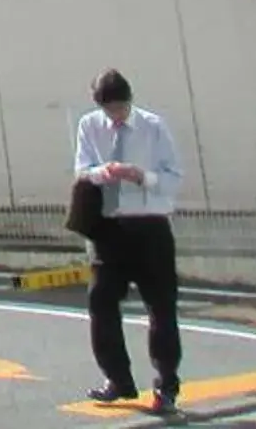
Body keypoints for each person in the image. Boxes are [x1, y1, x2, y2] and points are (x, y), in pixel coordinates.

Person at [75, 68, 184, 412]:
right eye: (110, 110)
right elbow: (81, 169)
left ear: (130, 101)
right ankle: (117, 378)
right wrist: (102, 172)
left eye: (120, 108)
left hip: (150, 225)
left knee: (161, 307)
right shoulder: (89, 126)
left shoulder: (153, 126)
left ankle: (166, 384)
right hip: (110, 228)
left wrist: (142, 176)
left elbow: (173, 177)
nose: (116, 116)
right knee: (101, 301)